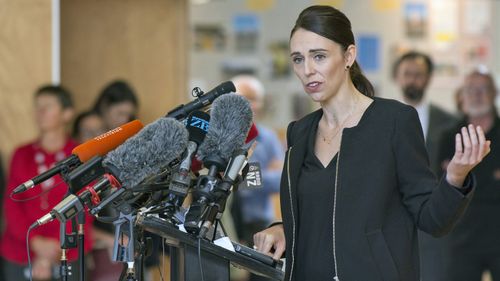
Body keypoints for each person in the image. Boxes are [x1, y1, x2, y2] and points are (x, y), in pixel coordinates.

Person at [252, 5, 490, 281]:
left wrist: (455, 177)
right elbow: (315, 214)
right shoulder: (300, 132)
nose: (307, 70)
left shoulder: (395, 121)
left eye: (319, 56)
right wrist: (282, 228)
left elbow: (431, 219)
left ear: (348, 56)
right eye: (297, 59)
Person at [0, 85, 94, 281]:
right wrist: (36, 243)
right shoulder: (22, 153)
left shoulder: (80, 154)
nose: (39, 112)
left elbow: (84, 204)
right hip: (21, 250)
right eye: (37, 106)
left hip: (69, 250)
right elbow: (12, 205)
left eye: (47, 106)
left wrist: (54, 246)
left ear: (67, 114)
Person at [392, 51, 458, 281]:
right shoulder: (381, 120)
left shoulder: (450, 123)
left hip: (436, 230)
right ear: (397, 78)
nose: (413, 79)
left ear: (429, 78)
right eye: (407, 74)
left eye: (419, 74)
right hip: (392, 224)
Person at [437, 70, 500, 281]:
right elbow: (441, 186)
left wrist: (462, 175)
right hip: (461, 235)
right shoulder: (448, 136)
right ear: (461, 95)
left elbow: (456, 180)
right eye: (471, 89)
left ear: (495, 93)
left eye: (483, 89)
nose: (476, 94)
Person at [231, 75, 284, 281]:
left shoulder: (268, 138)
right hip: (226, 223)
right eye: (244, 98)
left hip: (260, 223)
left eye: (254, 99)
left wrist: (246, 174)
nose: (250, 105)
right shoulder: (223, 137)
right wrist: (261, 171)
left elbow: (281, 180)